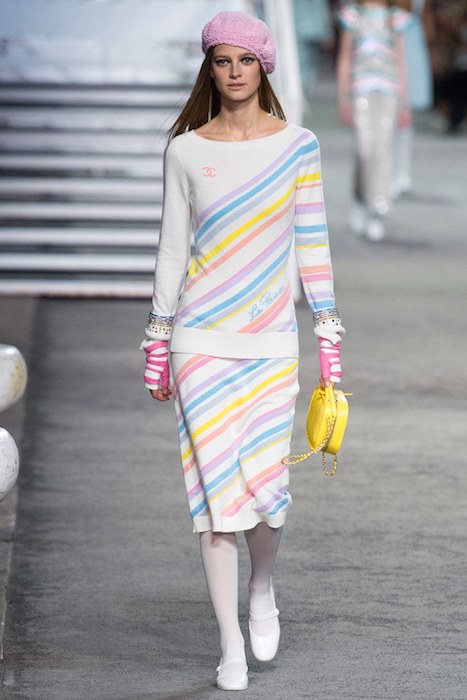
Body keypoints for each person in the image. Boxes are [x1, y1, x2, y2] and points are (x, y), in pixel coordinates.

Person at [141, 10, 344, 692]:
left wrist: (328, 334)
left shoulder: (298, 147)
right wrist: (158, 339)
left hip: (269, 346)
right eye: (222, 60)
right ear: (209, 67)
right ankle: (229, 644)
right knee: (216, 499)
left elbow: (312, 244)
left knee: (268, 495)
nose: (233, 72)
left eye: (245, 60)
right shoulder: (184, 150)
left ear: (264, 66)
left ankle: (262, 588)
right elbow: (172, 251)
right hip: (201, 342)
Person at [337, 0, 413, 240]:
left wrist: (405, 102)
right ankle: (361, 199)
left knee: (382, 148)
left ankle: (377, 209)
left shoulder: (395, 18)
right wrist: (342, 96)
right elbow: (345, 57)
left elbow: (401, 60)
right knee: (364, 149)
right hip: (360, 89)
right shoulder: (353, 15)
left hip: (389, 91)